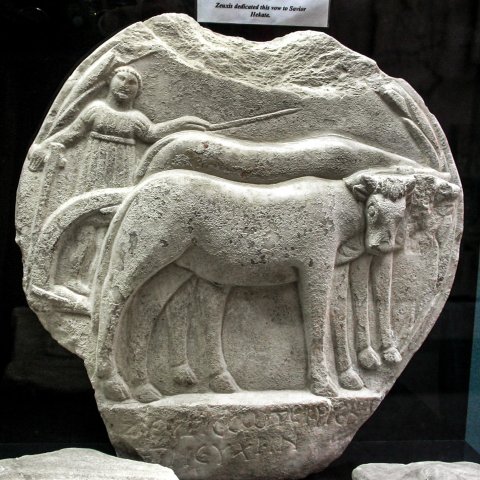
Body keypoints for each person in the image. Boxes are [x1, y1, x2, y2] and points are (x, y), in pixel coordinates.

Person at [28, 65, 210, 192]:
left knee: (115, 209)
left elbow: (152, 133)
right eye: (121, 78)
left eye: (132, 82)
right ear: (110, 80)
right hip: (94, 167)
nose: (125, 85)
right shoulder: (96, 109)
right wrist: (43, 146)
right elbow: (72, 133)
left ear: (138, 90)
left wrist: (182, 123)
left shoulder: (136, 117)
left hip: (123, 169)